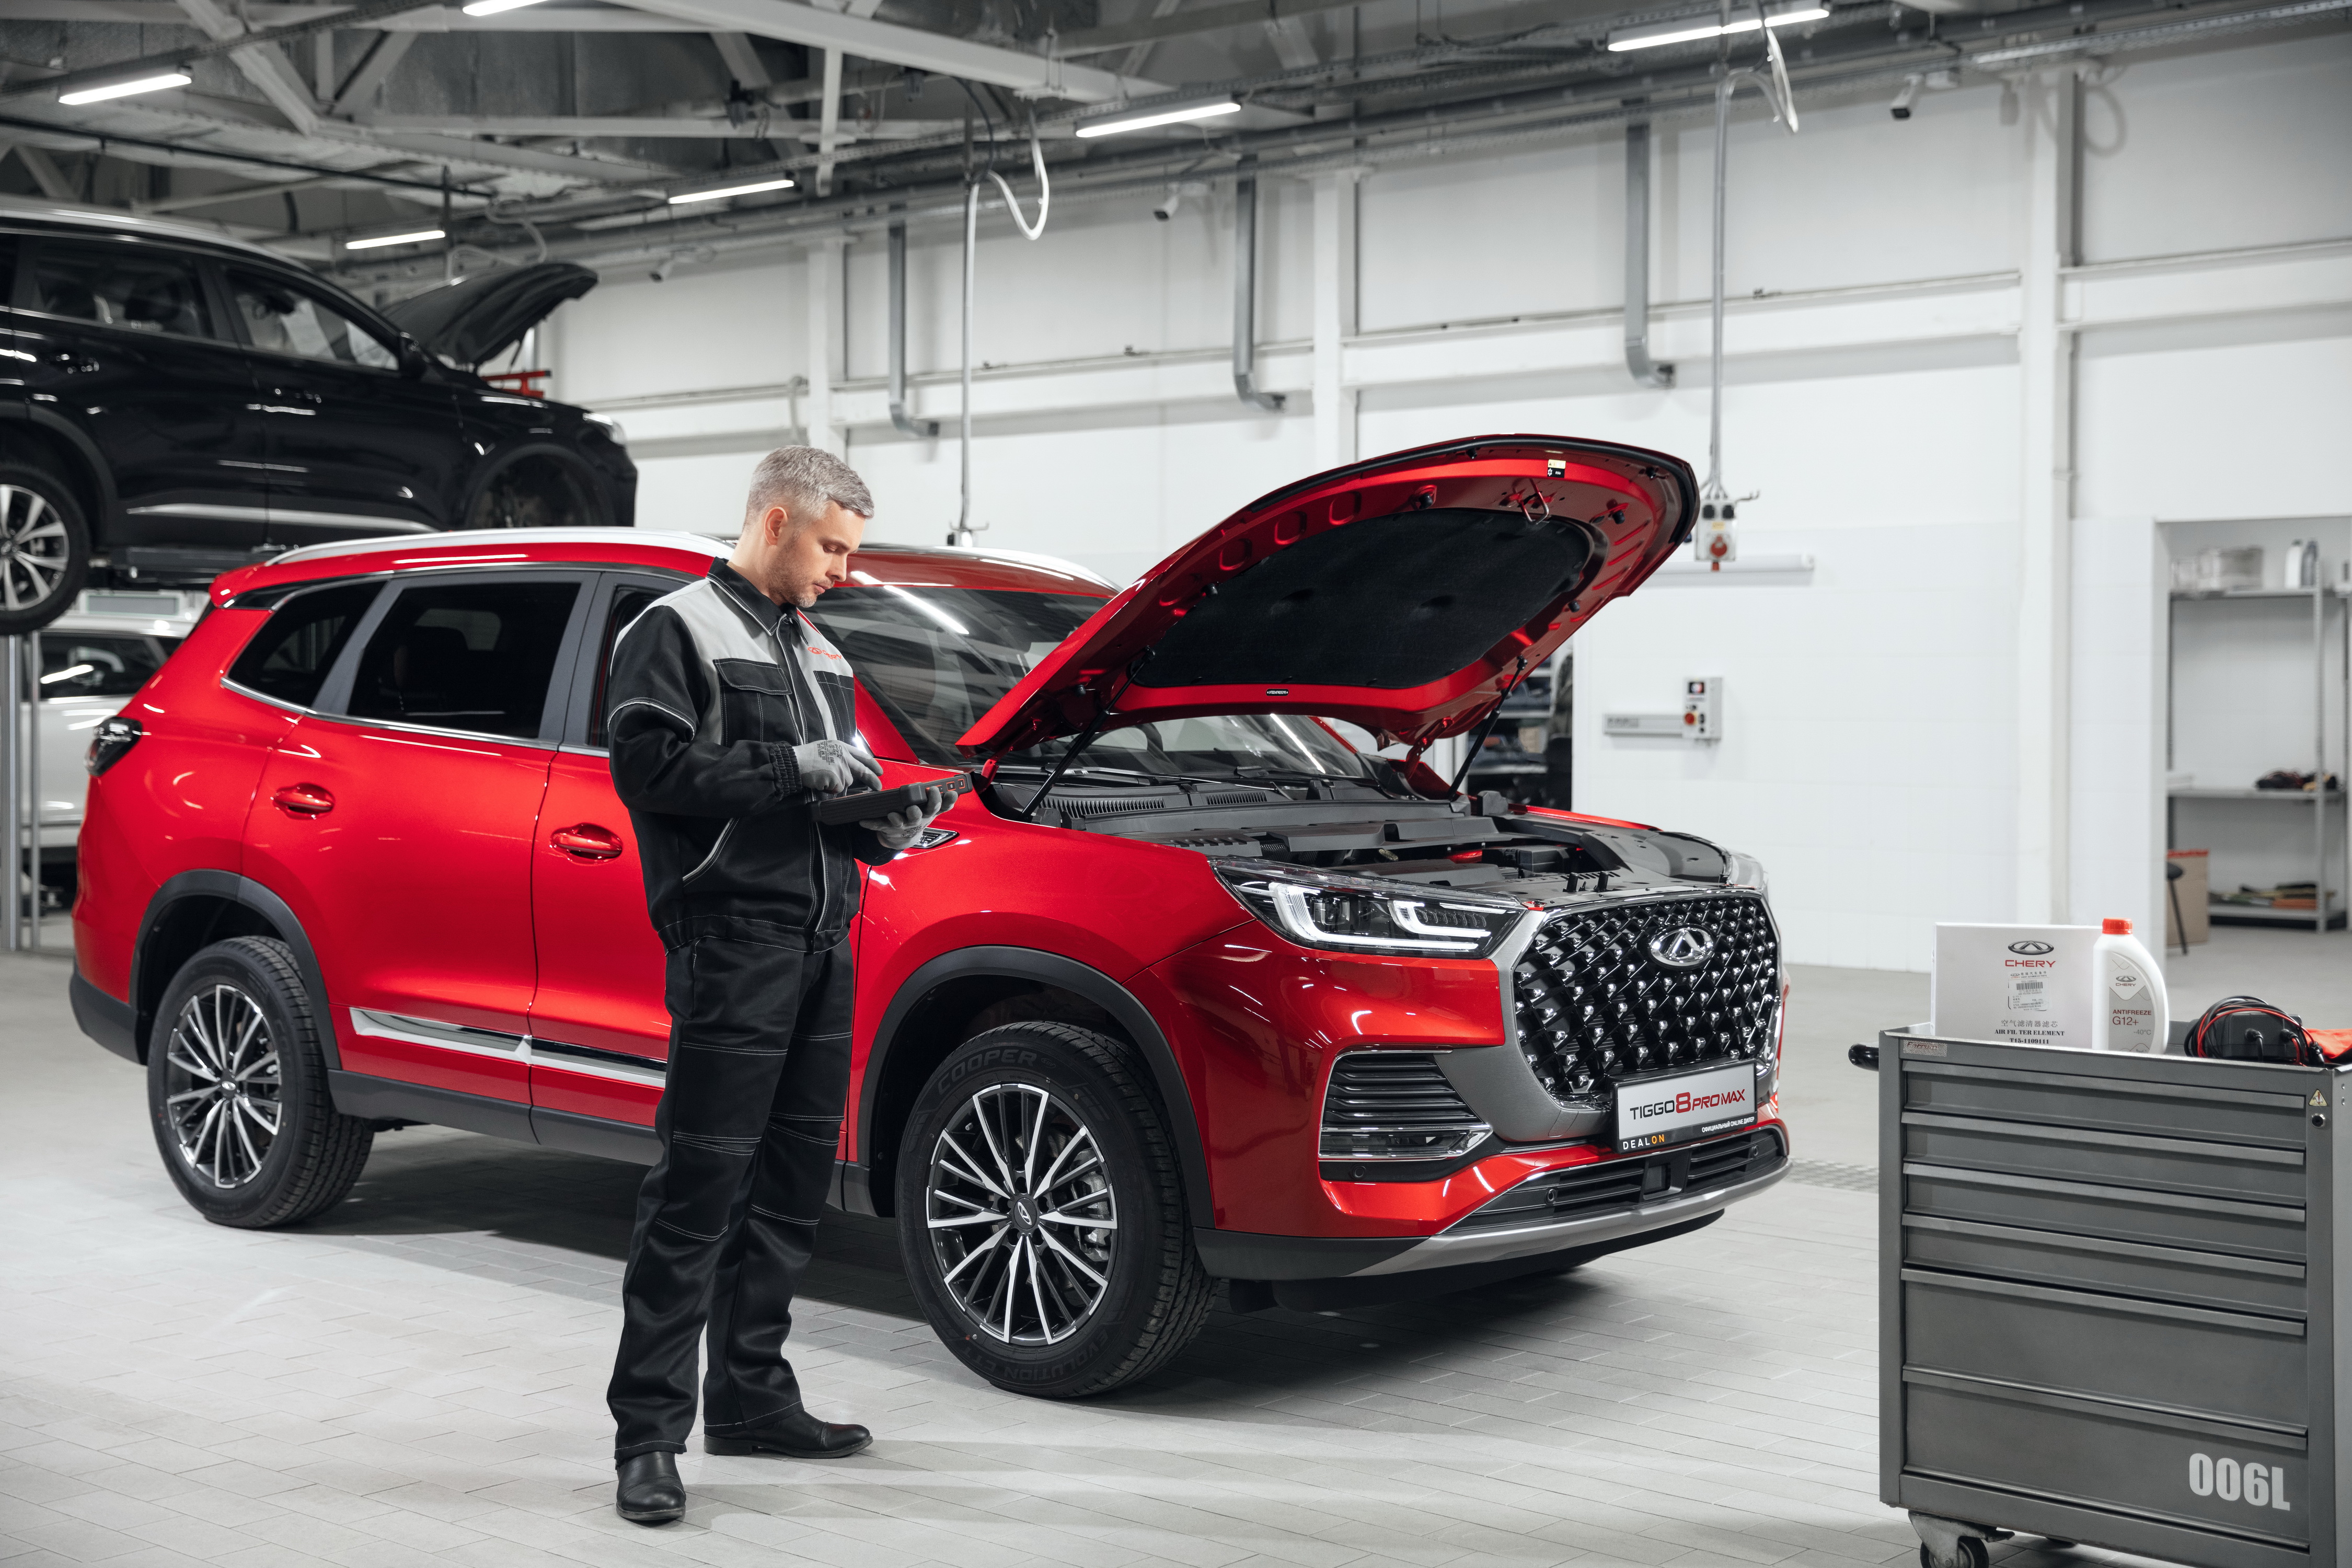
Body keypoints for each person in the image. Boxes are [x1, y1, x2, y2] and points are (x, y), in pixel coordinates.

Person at [602, 447, 948, 1525]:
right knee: (699, 1192)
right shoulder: (675, 629)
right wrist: (791, 768)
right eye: (832, 549)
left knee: (791, 1189)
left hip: (822, 939)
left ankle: (751, 1399)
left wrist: (882, 824)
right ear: (775, 523)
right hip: (732, 943)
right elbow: (647, 772)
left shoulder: (821, 652)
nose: (843, 571)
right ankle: (647, 1439)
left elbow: (822, 804)